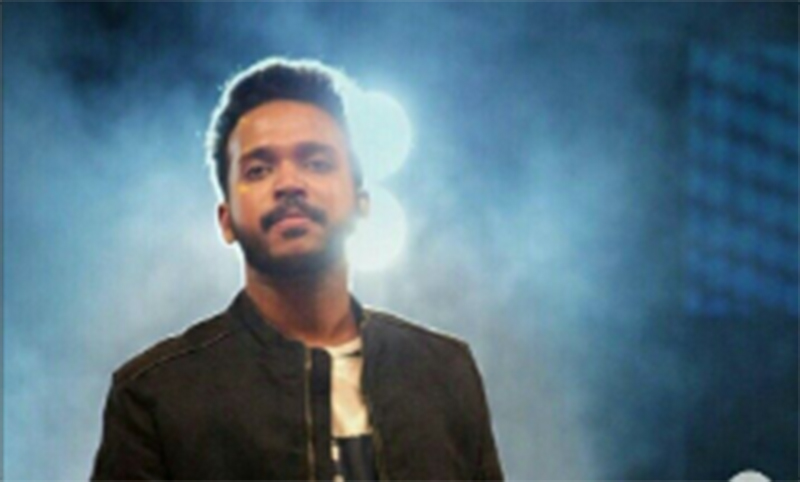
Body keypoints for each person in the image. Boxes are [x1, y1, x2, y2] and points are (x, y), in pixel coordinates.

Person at [91, 57, 504, 481]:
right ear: (226, 219)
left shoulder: (444, 371)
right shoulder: (155, 395)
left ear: (362, 203)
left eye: (317, 162)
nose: (289, 183)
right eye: (258, 170)